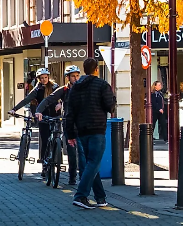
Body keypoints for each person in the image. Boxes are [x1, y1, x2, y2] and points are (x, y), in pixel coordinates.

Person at [66, 58, 116, 209]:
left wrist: (70, 134)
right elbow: (110, 107)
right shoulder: (102, 85)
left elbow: (70, 112)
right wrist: (112, 99)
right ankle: (81, 196)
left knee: (90, 163)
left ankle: (100, 197)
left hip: (81, 130)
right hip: (97, 128)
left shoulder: (75, 87)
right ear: (96, 70)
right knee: (93, 162)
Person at [37, 65, 82, 185]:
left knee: (82, 153)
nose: (76, 78)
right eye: (73, 76)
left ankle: (83, 178)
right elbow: (48, 100)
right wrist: (38, 110)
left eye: (77, 76)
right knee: (72, 153)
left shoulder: (83, 88)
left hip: (83, 124)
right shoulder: (64, 90)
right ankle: (72, 178)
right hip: (69, 125)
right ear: (67, 78)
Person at [10, 68, 57, 177]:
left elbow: (63, 97)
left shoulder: (55, 87)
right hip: (42, 117)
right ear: (38, 79)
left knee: (56, 139)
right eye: (42, 78)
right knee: (44, 140)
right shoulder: (37, 90)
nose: (44, 79)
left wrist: (61, 104)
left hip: (55, 116)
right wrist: (14, 109)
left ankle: (56, 160)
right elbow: (26, 100)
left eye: (46, 77)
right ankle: (44, 166)